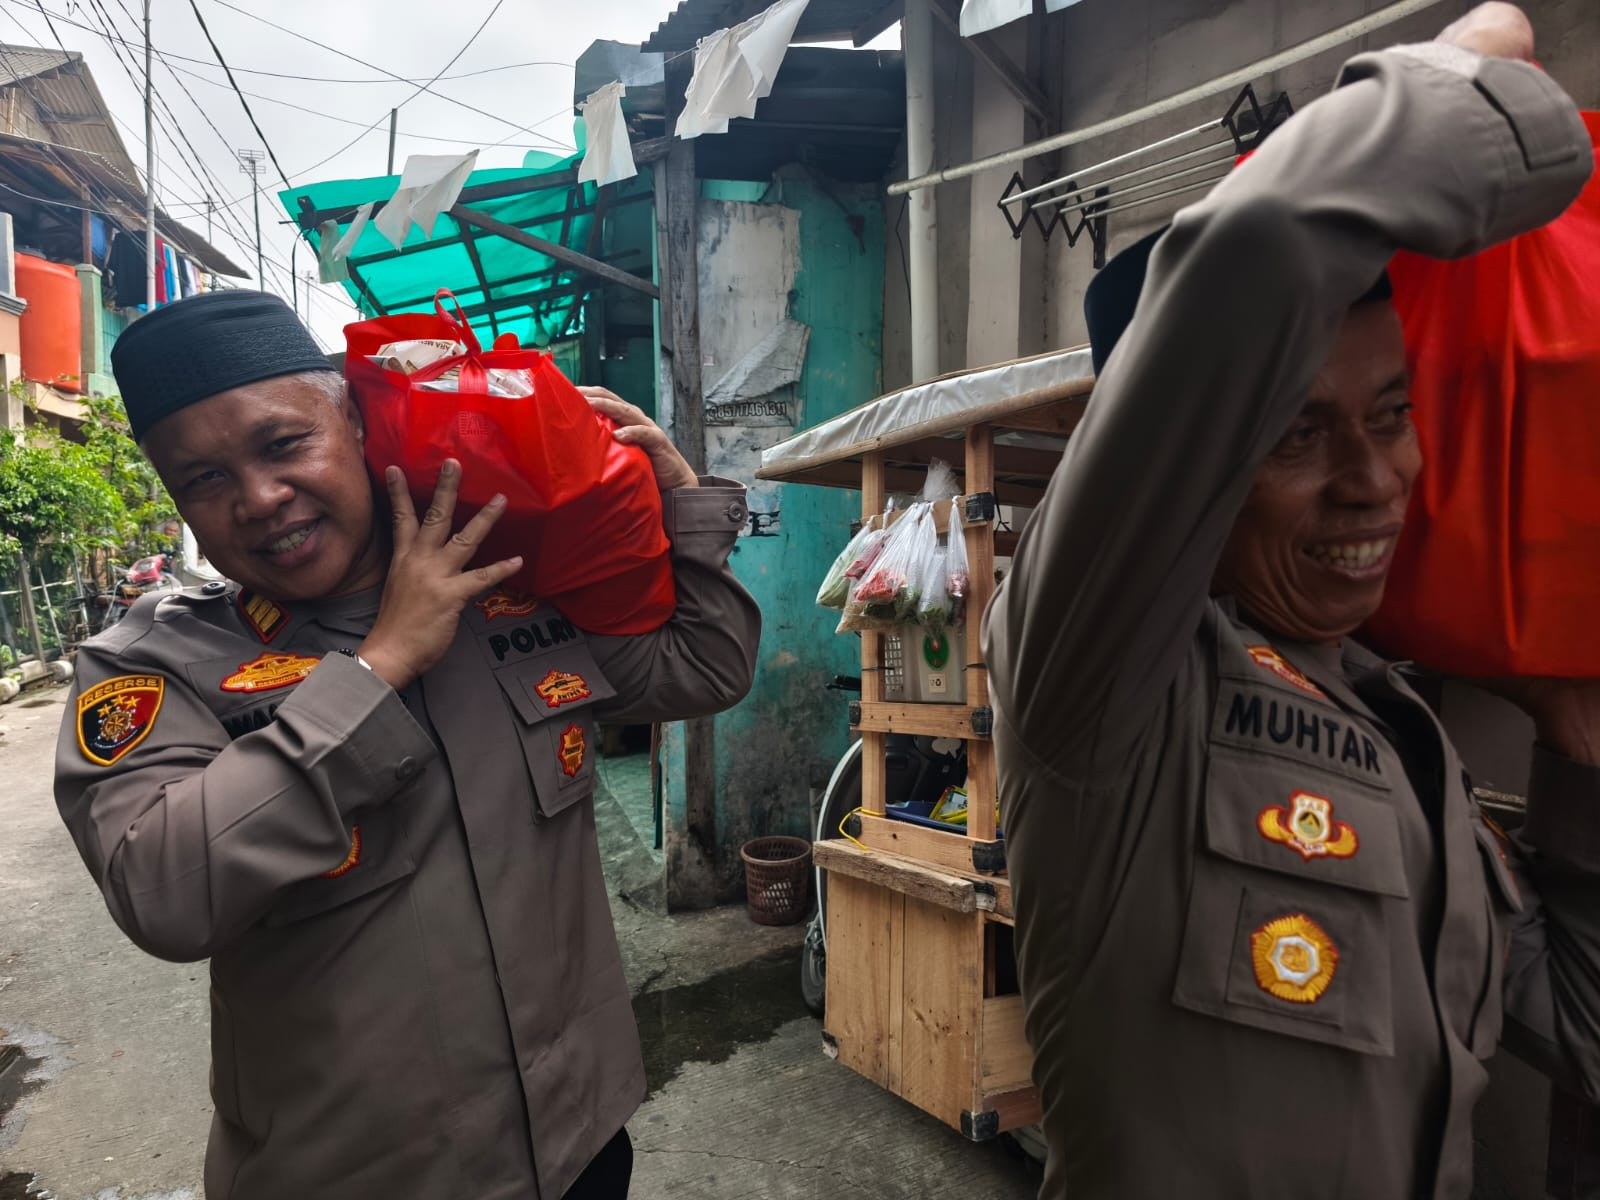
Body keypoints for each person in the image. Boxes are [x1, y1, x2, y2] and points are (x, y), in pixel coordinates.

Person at [981, 5, 1598, 1197]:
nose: (1372, 481)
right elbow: (1261, 247)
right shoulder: (1107, 688)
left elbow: (1581, 1023)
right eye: (1295, 434)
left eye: (1391, 415)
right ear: (1193, 463)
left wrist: (1578, 748)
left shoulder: (1406, 740)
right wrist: (1463, 64)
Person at [53, 290, 761, 1200]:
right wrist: (377, 667)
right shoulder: (151, 667)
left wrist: (683, 504)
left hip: (578, 1139)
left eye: (283, 445)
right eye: (204, 480)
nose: (260, 500)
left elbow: (702, 671)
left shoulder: (504, 574)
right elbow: (163, 894)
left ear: (353, 423)